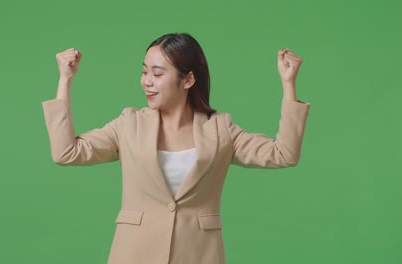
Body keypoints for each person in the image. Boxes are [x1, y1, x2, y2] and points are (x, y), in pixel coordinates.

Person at [41, 33, 311, 264]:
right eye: (144, 71)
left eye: (157, 74)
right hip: (135, 253)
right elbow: (67, 152)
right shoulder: (128, 124)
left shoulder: (220, 129)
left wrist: (289, 84)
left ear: (188, 80)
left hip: (198, 254)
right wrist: (65, 80)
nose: (146, 81)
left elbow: (283, 154)